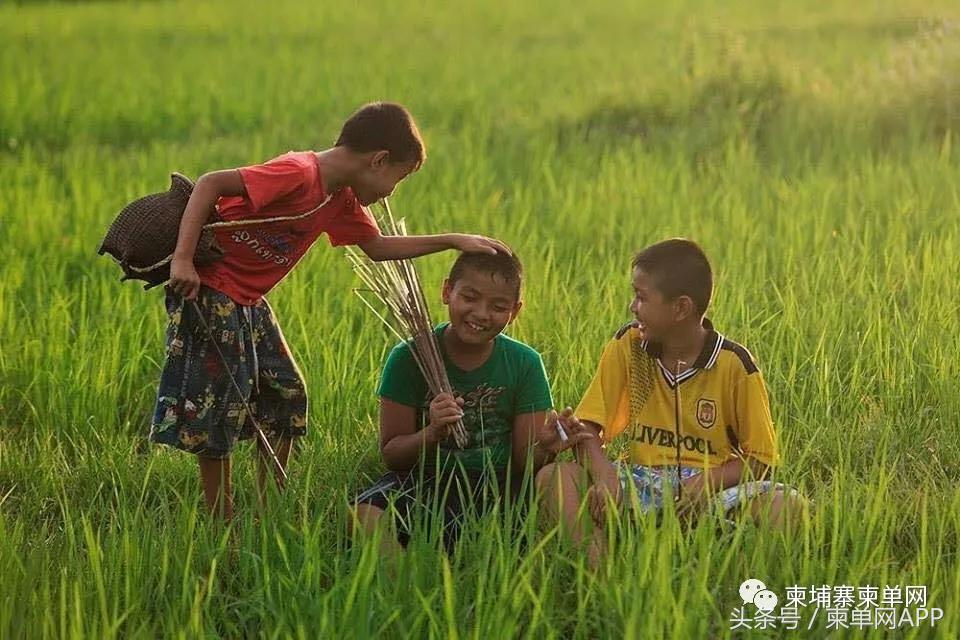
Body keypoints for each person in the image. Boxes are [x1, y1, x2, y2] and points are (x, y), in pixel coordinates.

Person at [149, 102, 509, 521]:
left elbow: (377, 249)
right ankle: (221, 518)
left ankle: (270, 507)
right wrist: (182, 260)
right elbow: (210, 183)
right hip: (210, 292)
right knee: (221, 408)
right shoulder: (299, 173)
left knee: (287, 393)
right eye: (400, 178)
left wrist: (453, 240)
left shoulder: (338, 199)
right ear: (379, 160)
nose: (393, 191)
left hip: (248, 302)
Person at [536, 238, 803, 568]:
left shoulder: (735, 364)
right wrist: (605, 475)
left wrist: (705, 483)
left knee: (787, 506)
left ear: (681, 308)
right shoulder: (628, 345)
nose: (633, 307)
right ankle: (601, 573)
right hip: (639, 481)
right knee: (554, 478)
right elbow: (587, 426)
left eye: (641, 297)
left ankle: (725, 572)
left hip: (710, 488)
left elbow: (762, 459)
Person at [351, 251, 590, 552]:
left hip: (500, 487)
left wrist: (544, 448)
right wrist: (432, 433)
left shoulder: (525, 363)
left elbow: (524, 463)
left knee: (550, 495)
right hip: (428, 482)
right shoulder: (408, 357)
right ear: (447, 291)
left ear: (514, 312)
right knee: (363, 514)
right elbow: (392, 455)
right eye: (470, 298)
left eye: (498, 306)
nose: (481, 313)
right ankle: (405, 583)